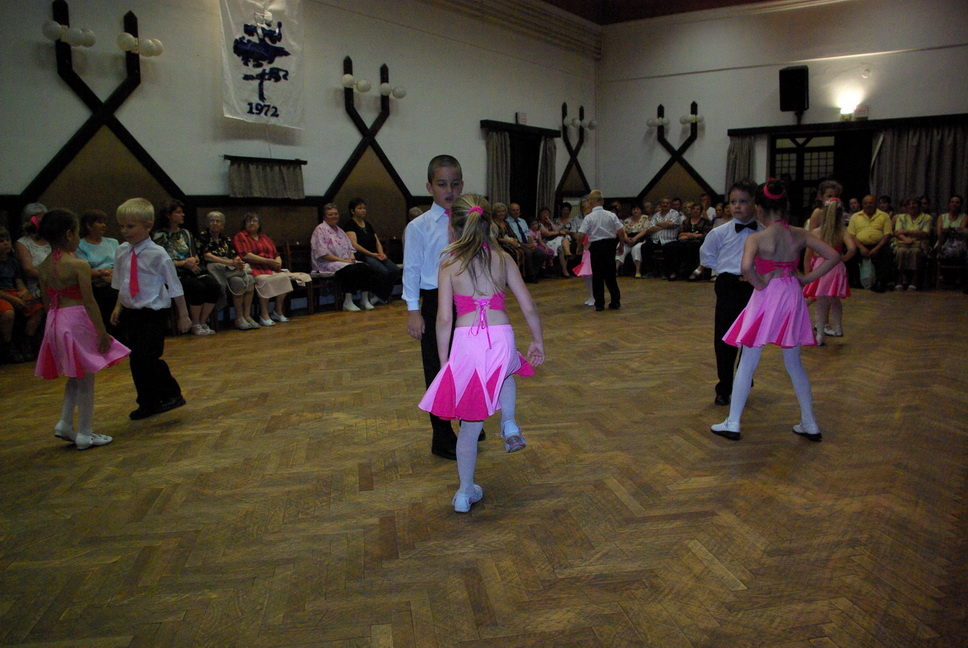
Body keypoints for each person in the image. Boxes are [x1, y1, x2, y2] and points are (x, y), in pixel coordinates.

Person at [418, 195, 544, 513]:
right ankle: (509, 423)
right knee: (508, 369)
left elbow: (443, 318)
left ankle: (464, 493)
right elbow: (528, 305)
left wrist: (445, 362)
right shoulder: (503, 257)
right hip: (502, 336)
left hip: (466, 342)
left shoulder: (449, 263)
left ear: (454, 226)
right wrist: (537, 340)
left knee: (470, 424)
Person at [710, 179, 839, 442]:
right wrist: (806, 279)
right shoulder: (800, 233)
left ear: (758, 208)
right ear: (785, 206)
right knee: (794, 363)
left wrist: (759, 283)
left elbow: (746, 268)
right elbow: (834, 256)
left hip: (766, 297)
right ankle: (809, 422)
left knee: (748, 360)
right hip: (791, 294)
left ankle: (733, 422)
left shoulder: (757, 237)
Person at [34, 209, 130, 449]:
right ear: (69, 234)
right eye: (77, 232)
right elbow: (89, 302)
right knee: (86, 379)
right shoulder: (78, 265)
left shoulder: (43, 267)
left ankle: (65, 423)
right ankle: (86, 433)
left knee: (75, 375)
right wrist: (101, 332)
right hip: (76, 321)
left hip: (55, 321)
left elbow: (47, 302)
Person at [404, 155, 465, 460]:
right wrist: (413, 311)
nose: (449, 191)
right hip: (433, 299)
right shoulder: (419, 227)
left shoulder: (469, 222)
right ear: (429, 187)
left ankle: (469, 420)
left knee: (466, 363)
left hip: (466, 300)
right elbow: (411, 270)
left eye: (454, 184)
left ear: (462, 185)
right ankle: (441, 435)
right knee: (438, 368)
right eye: (442, 184)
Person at [110, 198, 192, 420]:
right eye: (122, 226)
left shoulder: (158, 254)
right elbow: (121, 282)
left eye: (130, 226)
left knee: (149, 357)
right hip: (131, 312)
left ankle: (171, 393)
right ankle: (147, 401)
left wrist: (184, 315)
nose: (125, 231)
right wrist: (118, 307)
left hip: (153, 313)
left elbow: (174, 285)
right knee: (136, 359)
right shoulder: (121, 251)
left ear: (147, 226)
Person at [699, 179, 760, 406]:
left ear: (754, 203)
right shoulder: (719, 232)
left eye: (743, 201)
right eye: (733, 202)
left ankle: (744, 376)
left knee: (751, 336)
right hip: (728, 285)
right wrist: (726, 271)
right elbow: (707, 256)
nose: (737, 206)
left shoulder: (763, 232)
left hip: (755, 286)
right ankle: (724, 385)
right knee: (725, 336)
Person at [152, 200, 221, 336]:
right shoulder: (159, 236)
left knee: (213, 285)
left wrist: (192, 260)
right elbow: (160, 262)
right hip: (173, 274)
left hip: (191, 270)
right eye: (178, 212)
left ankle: (203, 321)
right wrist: (182, 263)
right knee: (197, 287)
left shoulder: (186, 233)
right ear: (168, 215)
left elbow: (195, 255)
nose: (182, 215)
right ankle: (194, 323)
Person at [803, 199, 855, 344]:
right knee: (834, 298)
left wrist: (808, 274)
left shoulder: (816, 232)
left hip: (821, 266)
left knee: (821, 302)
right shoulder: (841, 231)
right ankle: (838, 328)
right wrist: (843, 258)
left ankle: (820, 335)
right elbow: (852, 248)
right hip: (836, 266)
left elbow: (808, 255)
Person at [311, 203, 381, 312]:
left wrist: (351, 258)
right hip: (326, 263)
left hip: (345, 261)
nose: (334, 216)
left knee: (365, 267)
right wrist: (344, 260)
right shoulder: (320, 230)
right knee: (350, 269)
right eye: (330, 214)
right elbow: (323, 254)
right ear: (324, 217)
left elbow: (350, 248)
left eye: (335, 214)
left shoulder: (340, 230)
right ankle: (347, 301)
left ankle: (364, 299)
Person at [197, 211, 258, 330]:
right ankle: (239, 318)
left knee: (250, 279)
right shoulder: (203, 236)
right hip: (215, 270)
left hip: (229, 269)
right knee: (238, 280)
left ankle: (247, 316)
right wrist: (229, 263)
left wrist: (237, 261)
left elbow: (234, 255)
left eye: (218, 221)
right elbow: (207, 256)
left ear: (222, 225)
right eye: (212, 221)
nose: (215, 223)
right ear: (208, 224)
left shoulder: (225, 238)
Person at [233, 212, 292, 326]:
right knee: (265, 280)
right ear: (244, 224)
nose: (252, 223)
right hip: (253, 268)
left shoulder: (264, 237)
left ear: (259, 224)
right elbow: (245, 255)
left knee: (285, 277)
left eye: (254, 221)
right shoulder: (240, 236)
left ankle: (277, 311)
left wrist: (278, 262)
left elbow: (275, 253)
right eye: (249, 221)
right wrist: (267, 261)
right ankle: (264, 315)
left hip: (270, 267)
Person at [343, 198, 401, 304]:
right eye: (359, 208)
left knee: (395, 269)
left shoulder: (368, 225)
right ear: (352, 211)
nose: (363, 210)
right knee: (383, 271)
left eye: (364, 208)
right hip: (363, 255)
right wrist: (371, 254)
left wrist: (381, 253)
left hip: (375, 254)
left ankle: (380, 295)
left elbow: (377, 241)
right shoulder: (350, 225)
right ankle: (375, 294)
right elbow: (354, 244)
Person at [0, 226, 45, 363]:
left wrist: (24, 291)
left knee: (38, 307)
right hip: (3, 295)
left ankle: (27, 341)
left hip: (13, 291)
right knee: (8, 312)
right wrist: (12, 299)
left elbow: (18, 281)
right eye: (1, 241)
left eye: (7, 240)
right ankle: (7, 345)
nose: (6, 243)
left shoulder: (12, 262)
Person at [580, 190, 629, 311]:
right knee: (610, 274)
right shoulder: (611, 215)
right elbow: (620, 232)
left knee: (597, 275)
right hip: (610, 245)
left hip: (596, 246)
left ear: (591, 202)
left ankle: (599, 304)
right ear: (602, 201)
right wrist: (621, 246)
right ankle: (615, 301)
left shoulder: (589, 217)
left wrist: (579, 247)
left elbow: (581, 234)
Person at [75, 210, 120, 336]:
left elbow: (121, 265)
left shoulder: (113, 242)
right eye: (99, 222)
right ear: (89, 226)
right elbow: (84, 269)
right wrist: (102, 275)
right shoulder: (80, 245)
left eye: (104, 222)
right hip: (95, 283)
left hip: (114, 279)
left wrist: (111, 274)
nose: (104, 225)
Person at [847, 195, 893, 291]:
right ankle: (855, 281)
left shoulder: (884, 216)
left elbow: (887, 234)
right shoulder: (855, 217)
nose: (868, 205)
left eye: (871, 203)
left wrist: (877, 248)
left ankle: (880, 282)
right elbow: (851, 235)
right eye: (866, 203)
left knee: (887, 253)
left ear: (875, 204)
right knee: (849, 253)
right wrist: (861, 247)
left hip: (879, 245)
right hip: (860, 245)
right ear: (862, 204)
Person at [892, 197, 933, 291]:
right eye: (909, 204)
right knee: (901, 252)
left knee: (915, 252)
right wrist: (906, 239)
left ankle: (914, 280)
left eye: (914, 204)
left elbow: (924, 233)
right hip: (903, 243)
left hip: (920, 244)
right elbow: (897, 232)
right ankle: (899, 280)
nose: (911, 206)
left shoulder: (927, 218)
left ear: (919, 205)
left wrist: (906, 231)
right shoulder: (901, 217)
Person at [15, 203, 52, 298]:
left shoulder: (52, 240)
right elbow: (28, 270)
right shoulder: (23, 243)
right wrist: (53, 277)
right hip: (37, 287)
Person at [936, 194, 967, 286]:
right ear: (949, 204)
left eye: (957, 202)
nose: (954, 204)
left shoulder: (964, 217)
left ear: (961, 205)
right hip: (943, 242)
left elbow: (961, 231)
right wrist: (953, 229)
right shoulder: (942, 217)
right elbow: (939, 232)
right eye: (952, 202)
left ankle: (957, 277)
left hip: (958, 242)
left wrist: (948, 230)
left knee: (959, 249)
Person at [679, 202, 712, 279]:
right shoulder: (685, 221)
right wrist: (688, 234)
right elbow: (680, 234)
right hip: (685, 241)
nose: (695, 211)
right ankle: (675, 272)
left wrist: (694, 235)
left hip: (699, 242)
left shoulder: (705, 222)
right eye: (693, 209)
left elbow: (706, 234)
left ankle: (692, 272)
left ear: (701, 211)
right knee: (672, 246)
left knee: (691, 247)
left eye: (697, 209)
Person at [614, 204, 649, 276]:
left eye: (637, 209)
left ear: (641, 210)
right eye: (634, 209)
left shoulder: (645, 218)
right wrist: (626, 238)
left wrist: (635, 238)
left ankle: (638, 271)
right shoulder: (627, 220)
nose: (635, 211)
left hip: (640, 239)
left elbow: (645, 230)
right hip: (628, 240)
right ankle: (616, 269)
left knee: (636, 249)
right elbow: (623, 231)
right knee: (620, 246)